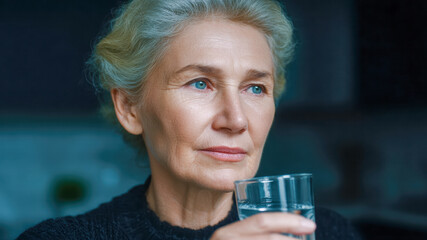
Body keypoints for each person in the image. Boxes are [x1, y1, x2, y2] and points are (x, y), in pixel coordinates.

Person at [18, 0, 360, 239]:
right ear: (129, 108)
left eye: (255, 88)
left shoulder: (327, 233)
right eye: (201, 83)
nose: (236, 119)